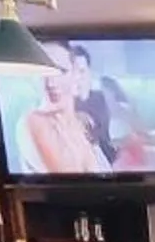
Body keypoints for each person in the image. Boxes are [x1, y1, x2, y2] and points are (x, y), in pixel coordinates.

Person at [17, 42, 108, 175]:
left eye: (61, 71)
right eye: (43, 72)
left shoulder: (83, 123)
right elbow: (72, 182)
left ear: (75, 75)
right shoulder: (34, 121)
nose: (51, 83)